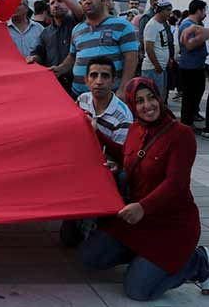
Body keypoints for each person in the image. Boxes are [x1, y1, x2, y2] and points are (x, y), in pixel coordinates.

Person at [80, 77, 209, 301]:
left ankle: (197, 262)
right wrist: (95, 132)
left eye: (150, 98)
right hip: (137, 221)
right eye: (139, 101)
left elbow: (176, 183)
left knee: (137, 291)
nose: (147, 106)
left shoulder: (181, 134)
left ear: (159, 98)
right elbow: (126, 155)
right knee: (91, 258)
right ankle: (146, 260)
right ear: (132, 105)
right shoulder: (135, 129)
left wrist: (142, 207)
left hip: (171, 225)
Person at [60, 56, 133, 247]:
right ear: (86, 80)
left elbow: (120, 159)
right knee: (67, 239)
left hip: (106, 170)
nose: (98, 81)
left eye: (105, 76)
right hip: (82, 165)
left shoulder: (122, 116)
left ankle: (105, 219)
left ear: (113, 80)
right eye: (94, 75)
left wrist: (96, 133)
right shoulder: (82, 100)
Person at [51, 0, 138, 100]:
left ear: (103, 0)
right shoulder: (77, 29)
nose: (87, 1)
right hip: (79, 96)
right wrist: (60, 69)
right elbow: (72, 56)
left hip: (110, 96)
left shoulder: (122, 26)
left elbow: (131, 58)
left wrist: (123, 89)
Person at [26, 0, 84, 94]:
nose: (56, 5)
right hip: (55, 86)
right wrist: (34, 58)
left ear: (68, 4)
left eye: (60, 1)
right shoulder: (45, 33)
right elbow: (38, 53)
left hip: (77, 85)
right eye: (52, 3)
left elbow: (80, 11)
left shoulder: (77, 23)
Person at [177, 0, 208, 128]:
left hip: (197, 66)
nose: (205, 13)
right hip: (190, 68)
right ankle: (186, 124)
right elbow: (188, 45)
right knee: (189, 98)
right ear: (199, 10)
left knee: (195, 96)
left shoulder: (195, 24)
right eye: (204, 10)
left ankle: (190, 119)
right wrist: (203, 37)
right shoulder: (187, 25)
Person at [141, 0, 173, 100]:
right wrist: (157, 65)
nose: (170, 13)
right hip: (153, 69)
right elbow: (149, 48)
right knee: (154, 98)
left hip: (160, 68)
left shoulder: (161, 24)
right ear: (161, 11)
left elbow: (162, 45)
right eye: (168, 10)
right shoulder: (152, 25)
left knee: (160, 98)